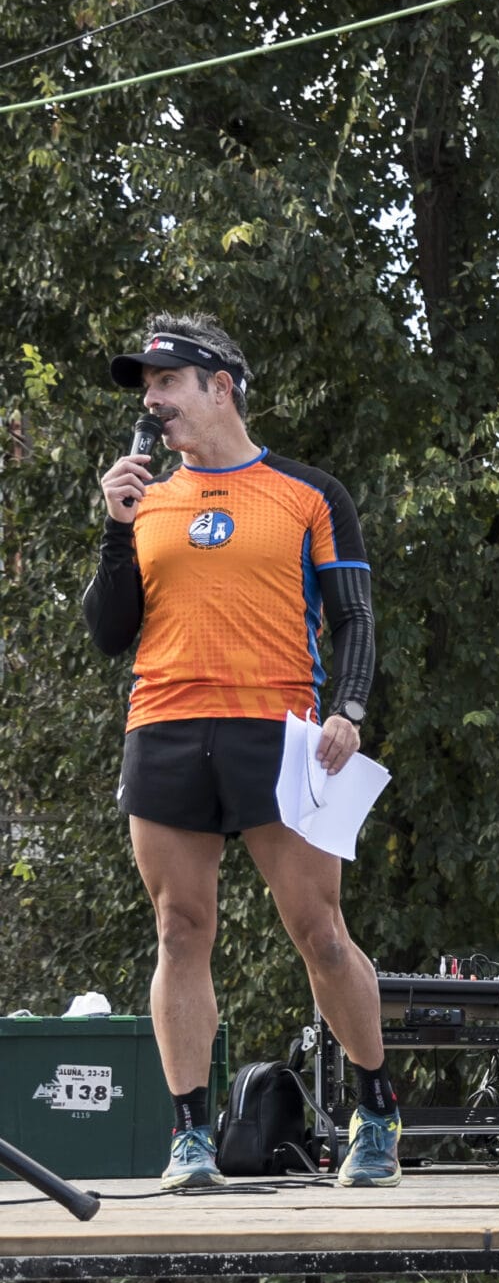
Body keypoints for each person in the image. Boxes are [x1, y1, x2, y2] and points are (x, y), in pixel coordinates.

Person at [83, 314, 400, 1190]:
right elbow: (109, 631)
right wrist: (115, 526)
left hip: (280, 732)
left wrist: (350, 708)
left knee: (320, 932)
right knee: (178, 928)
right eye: (146, 386)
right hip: (165, 728)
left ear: (220, 386)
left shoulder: (309, 492)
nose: (152, 400)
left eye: (166, 381)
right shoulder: (146, 498)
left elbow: (355, 617)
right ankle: (190, 1134)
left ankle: (377, 1110)